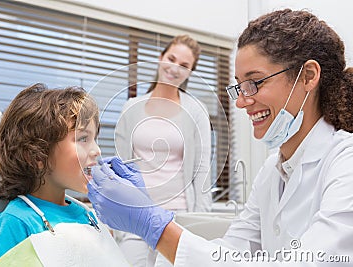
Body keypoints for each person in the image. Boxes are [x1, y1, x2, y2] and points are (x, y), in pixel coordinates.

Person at [88, 9, 353, 266]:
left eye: (255, 82)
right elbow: (227, 253)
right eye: (239, 85)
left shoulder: (345, 162)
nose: (241, 102)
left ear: (308, 76)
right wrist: (150, 218)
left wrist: (154, 225)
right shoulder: (272, 173)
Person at [0, 84, 129, 266]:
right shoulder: (15, 224)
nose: (97, 151)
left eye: (95, 139)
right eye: (83, 139)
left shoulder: (88, 216)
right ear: (37, 155)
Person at [114, 34, 212, 266]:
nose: (175, 68)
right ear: (160, 58)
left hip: (177, 217)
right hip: (136, 214)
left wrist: (201, 222)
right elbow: (119, 168)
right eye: (172, 58)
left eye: (184, 65)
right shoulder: (131, 107)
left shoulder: (196, 111)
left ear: (190, 72)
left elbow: (202, 169)